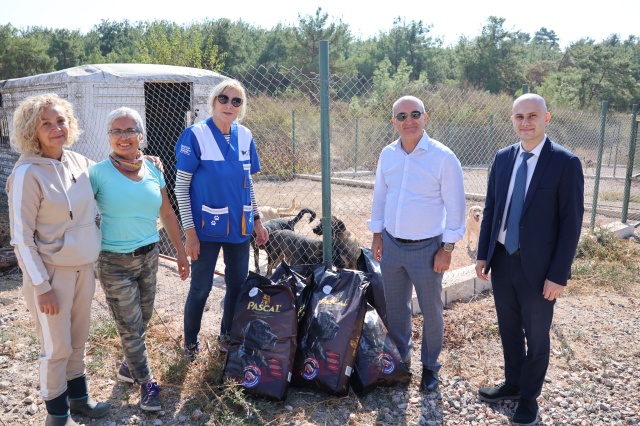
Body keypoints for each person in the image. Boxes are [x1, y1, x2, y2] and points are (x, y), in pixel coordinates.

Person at [475, 93, 584, 426]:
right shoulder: (503, 158)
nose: (526, 122)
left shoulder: (565, 163)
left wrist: (559, 274)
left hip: (540, 270)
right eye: (519, 116)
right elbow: (492, 208)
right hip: (503, 260)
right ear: (512, 120)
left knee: (536, 336)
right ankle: (512, 383)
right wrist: (483, 254)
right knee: (508, 328)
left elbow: (571, 225)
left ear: (546, 118)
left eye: (532, 115)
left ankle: (529, 398)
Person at [6, 94, 110, 426]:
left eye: (61, 121)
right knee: (56, 347)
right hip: (51, 275)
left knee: (78, 338)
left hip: (84, 268)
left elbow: (113, 173)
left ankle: (79, 400)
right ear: (30, 130)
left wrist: (140, 159)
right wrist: (42, 286)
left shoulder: (80, 163)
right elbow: (21, 239)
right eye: (46, 123)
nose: (56, 129)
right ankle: (57, 415)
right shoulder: (27, 174)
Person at [89, 107, 190, 412]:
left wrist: (182, 252)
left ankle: (126, 368)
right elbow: (77, 210)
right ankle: (147, 384)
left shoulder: (153, 168)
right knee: (130, 327)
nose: (124, 137)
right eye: (117, 131)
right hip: (112, 261)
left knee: (141, 320)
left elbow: (168, 213)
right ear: (108, 137)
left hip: (149, 256)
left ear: (140, 135)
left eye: (130, 130)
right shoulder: (97, 173)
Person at [367, 95, 466, 393]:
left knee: (431, 310)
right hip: (392, 246)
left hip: (428, 249)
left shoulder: (443, 158)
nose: (408, 120)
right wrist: (377, 235)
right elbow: (380, 197)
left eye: (415, 114)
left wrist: (446, 249)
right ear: (393, 121)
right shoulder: (388, 154)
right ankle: (402, 363)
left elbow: (456, 207)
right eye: (401, 116)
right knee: (396, 309)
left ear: (426, 117)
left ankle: (430, 368)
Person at [175, 79, 268, 359]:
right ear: (213, 102)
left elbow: (247, 182)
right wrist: (189, 233)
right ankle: (190, 342)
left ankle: (227, 336)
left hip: (239, 226)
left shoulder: (245, 136)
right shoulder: (196, 135)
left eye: (236, 101)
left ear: (241, 107)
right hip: (205, 228)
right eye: (224, 99)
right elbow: (181, 186)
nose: (229, 105)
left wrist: (258, 219)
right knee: (201, 287)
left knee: (237, 285)